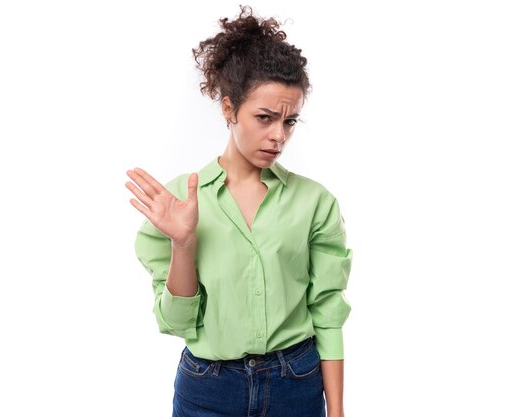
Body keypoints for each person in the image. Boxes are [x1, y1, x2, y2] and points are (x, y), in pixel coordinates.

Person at [125, 5, 352, 417]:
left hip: (296, 385)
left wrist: (335, 411)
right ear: (229, 109)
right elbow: (177, 323)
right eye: (264, 118)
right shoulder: (177, 201)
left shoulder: (315, 202)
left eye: (290, 121)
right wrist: (183, 242)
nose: (278, 136)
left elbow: (328, 313)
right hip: (208, 390)